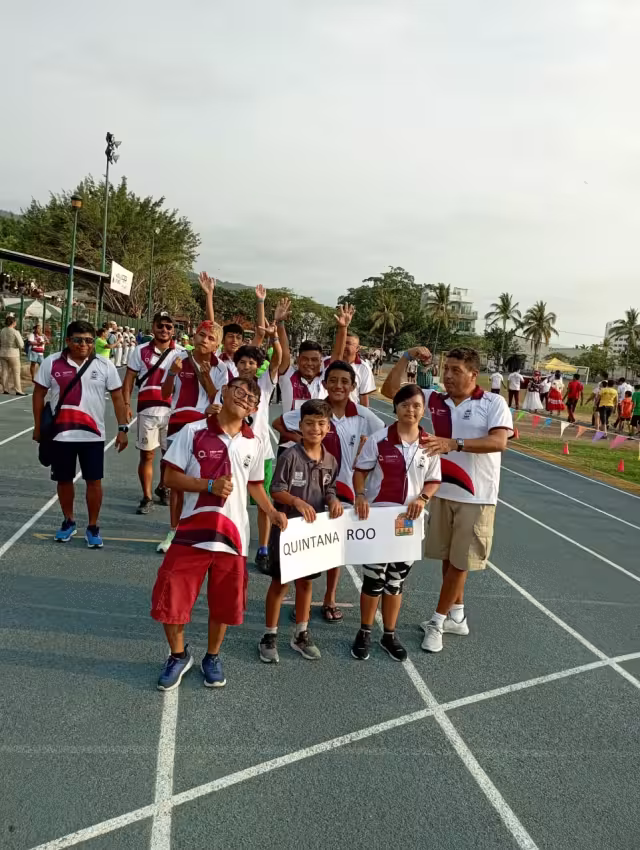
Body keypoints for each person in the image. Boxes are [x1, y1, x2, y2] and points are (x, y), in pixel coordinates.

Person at [151, 376, 288, 691]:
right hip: (192, 533)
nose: (245, 398)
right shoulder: (194, 431)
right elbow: (171, 476)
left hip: (234, 537)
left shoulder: (256, 440)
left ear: (255, 408)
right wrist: (208, 486)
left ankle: (212, 656)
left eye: (252, 398)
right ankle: (178, 655)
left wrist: (271, 511)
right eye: (239, 391)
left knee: (224, 604)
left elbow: (255, 484)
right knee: (172, 600)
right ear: (224, 392)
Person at [381, 346, 513, 654]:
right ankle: (456, 614)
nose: (448, 375)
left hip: (476, 495)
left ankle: (438, 622)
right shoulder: (434, 398)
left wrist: (455, 443)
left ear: (473, 374)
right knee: (447, 558)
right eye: (445, 368)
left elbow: (499, 442)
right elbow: (390, 390)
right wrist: (406, 357)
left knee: (460, 562)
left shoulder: (493, 402)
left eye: (455, 370)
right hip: (440, 492)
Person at [274, 360, 384, 622]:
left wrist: (365, 456)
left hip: (341, 490)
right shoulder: (313, 411)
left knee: (336, 550)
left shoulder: (362, 415)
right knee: (305, 547)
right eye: (333, 380)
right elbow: (279, 423)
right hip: (310, 490)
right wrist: (302, 440)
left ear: (353, 386)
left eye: (345, 382)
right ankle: (301, 601)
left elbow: (386, 435)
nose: (338, 386)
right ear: (324, 384)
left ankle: (329, 598)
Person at [351, 385, 442, 662]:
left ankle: (389, 634)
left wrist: (423, 498)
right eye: (404, 405)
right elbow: (360, 471)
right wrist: (360, 495)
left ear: (423, 409)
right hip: (379, 521)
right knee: (373, 579)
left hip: (409, 525)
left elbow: (434, 480)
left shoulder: (430, 444)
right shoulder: (379, 439)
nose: (410, 410)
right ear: (396, 408)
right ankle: (364, 631)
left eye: (416, 405)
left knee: (396, 581)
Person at [259, 399, 343, 663]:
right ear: (300, 426)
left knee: (306, 583)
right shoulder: (290, 456)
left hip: (312, 533)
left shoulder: (330, 459)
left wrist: (333, 500)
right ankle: (269, 635)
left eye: (320, 424)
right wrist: (296, 501)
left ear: (328, 427)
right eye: (309, 423)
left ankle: (301, 634)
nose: (315, 428)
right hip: (287, 530)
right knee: (280, 583)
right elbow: (275, 489)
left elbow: (329, 488)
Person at [31, 321, 129, 547]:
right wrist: (38, 427)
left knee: (94, 481)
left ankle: (93, 527)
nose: (84, 345)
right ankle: (69, 521)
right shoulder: (51, 362)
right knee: (64, 480)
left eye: (88, 340)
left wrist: (123, 429)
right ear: (68, 341)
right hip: (61, 435)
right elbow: (38, 394)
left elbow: (117, 398)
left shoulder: (105, 365)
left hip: (93, 436)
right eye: (78, 340)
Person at [157, 319, 224, 553]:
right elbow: (165, 393)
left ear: (217, 345)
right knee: (176, 483)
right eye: (201, 335)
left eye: (211, 338)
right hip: (177, 427)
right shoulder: (176, 360)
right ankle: (173, 530)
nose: (205, 340)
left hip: (205, 429)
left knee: (202, 481)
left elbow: (219, 400)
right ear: (194, 336)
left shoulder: (221, 368)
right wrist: (172, 374)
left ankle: (198, 528)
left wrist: (205, 377)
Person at [123, 311, 179, 513]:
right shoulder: (140, 351)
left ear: (173, 330)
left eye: (168, 326)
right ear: (153, 326)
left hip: (172, 411)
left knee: (169, 456)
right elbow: (129, 378)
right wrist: (126, 404)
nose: (164, 330)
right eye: (160, 325)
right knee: (147, 456)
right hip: (147, 410)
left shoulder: (180, 353)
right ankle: (146, 497)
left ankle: (163, 487)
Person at [329, 308, 376, 406]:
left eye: (348, 343)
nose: (344, 346)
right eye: (343, 342)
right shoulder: (327, 362)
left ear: (357, 348)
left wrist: (364, 419)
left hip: (350, 414)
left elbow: (364, 398)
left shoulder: (364, 368)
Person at [0, 315, 25, 396]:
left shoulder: (2, 330)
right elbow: (21, 344)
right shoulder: (15, 332)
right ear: (13, 322)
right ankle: (18, 390)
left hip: (3, 352)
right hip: (13, 353)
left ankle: (5, 389)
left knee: (4, 371)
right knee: (16, 372)